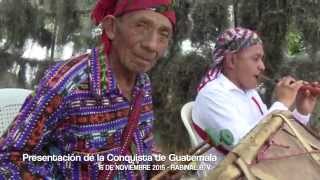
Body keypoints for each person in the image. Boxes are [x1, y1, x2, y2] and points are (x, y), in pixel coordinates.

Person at [0, 0, 176, 179]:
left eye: (163, 34)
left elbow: (136, 144)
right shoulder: (66, 84)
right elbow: (9, 159)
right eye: (141, 26)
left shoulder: (142, 83)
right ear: (111, 27)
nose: (152, 45)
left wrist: (156, 165)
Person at [192, 27, 319, 171]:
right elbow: (246, 148)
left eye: (261, 59)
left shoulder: (250, 92)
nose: (262, 66)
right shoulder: (212, 95)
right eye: (255, 58)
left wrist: (301, 112)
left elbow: (275, 135)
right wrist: (282, 103)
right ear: (231, 60)